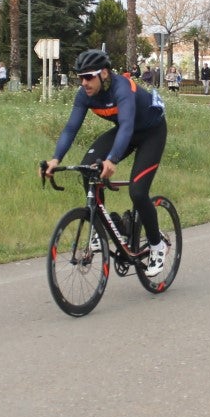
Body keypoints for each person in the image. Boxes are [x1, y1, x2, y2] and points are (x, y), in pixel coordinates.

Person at [41, 49, 171, 277]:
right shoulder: (84, 95)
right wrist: (55, 159)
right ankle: (100, 226)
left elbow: (127, 125)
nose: (84, 82)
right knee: (88, 168)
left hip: (151, 133)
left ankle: (156, 245)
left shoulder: (123, 88)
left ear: (103, 73)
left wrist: (112, 159)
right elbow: (71, 128)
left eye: (88, 76)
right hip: (125, 132)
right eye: (80, 77)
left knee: (138, 191)